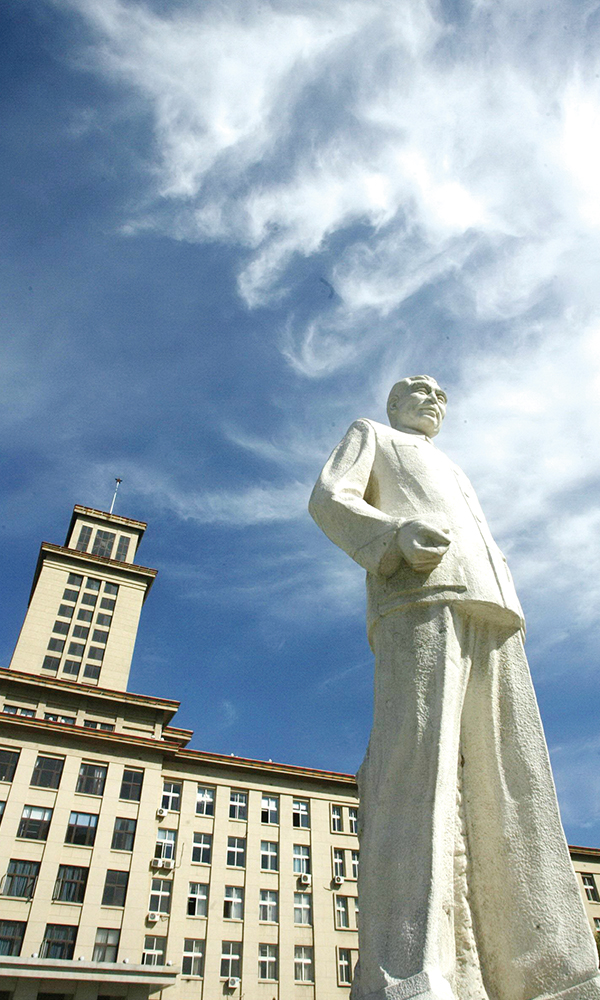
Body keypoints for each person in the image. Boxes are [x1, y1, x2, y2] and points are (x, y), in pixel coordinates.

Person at [309, 376, 600, 1000]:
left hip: (491, 606)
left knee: (516, 774)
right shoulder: (374, 435)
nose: (433, 398)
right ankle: (409, 972)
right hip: (420, 593)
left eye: (441, 393)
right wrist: (390, 539)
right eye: (419, 389)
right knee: (420, 761)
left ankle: (552, 972)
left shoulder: (453, 467)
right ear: (393, 403)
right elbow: (330, 498)